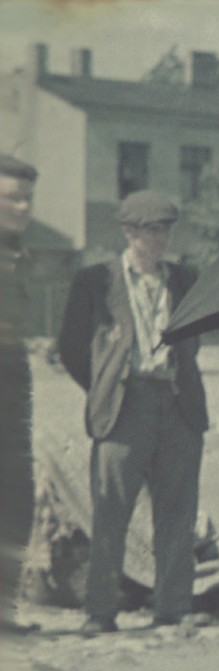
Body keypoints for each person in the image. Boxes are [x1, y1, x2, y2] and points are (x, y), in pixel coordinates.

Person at [56, 190, 209, 634]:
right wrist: (106, 388)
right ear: (128, 232)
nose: (160, 239)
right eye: (150, 231)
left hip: (178, 404)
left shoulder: (185, 279)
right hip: (124, 408)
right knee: (111, 512)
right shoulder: (95, 280)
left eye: (165, 230)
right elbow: (70, 347)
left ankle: (174, 607)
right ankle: (100, 611)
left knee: (178, 512)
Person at [0, 155, 37, 636]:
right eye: (12, 197)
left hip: (12, 387)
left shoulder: (17, 255)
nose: (25, 206)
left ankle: (3, 612)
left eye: (29, 198)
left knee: (15, 502)